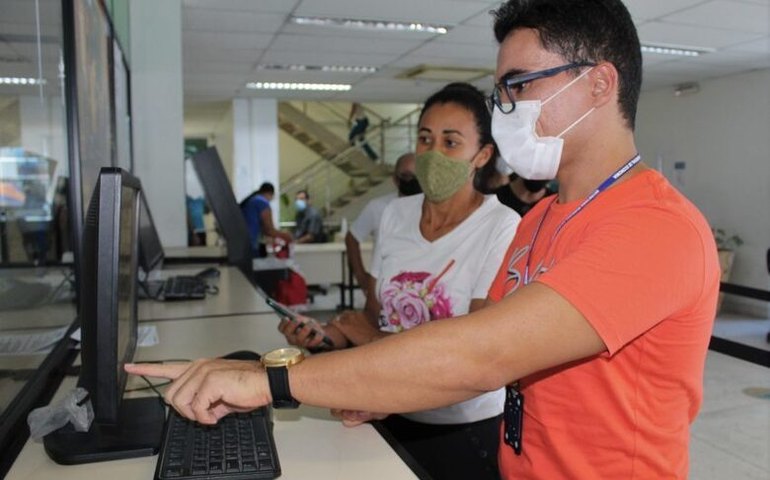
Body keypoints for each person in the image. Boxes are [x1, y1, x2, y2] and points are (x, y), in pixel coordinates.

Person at [126, 1, 721, 478]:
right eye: (501, 92)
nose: (505, 109)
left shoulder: (654, 227)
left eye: (519, 85)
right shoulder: (541, 219)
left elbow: (480, 355)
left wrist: (269, 382)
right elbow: (482, 346)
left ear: (599, 84)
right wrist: (384, 385)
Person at [286, 83, 519, 479]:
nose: (433, 153)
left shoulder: (502, 226)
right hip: (388, 409)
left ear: (482, 155)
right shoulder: (395, 215)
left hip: (460, 430)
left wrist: (369, 340)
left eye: (450, 142)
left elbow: (474, 353)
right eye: (425, 139)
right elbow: (378, 317)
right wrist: (329, 336)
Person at [344, 152, 420, 296]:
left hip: (420, 289)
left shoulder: (433, 208)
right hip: (383, 288)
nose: (412, 181)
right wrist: (361, 277)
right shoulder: (379, 207)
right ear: (395, 179)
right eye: (406, 176)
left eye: (417, 176)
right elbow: (351, 238)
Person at [239, 182, 293, 257]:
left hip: (242, 244)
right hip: (250, 245)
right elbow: (269, 230)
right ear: (271, 194)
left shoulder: (253, 200)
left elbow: (264, 229)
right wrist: (285, 235)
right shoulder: (262, 202)